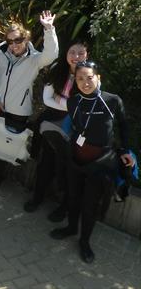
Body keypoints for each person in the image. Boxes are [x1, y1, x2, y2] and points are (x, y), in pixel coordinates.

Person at [50, 61, 135, 264]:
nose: (85, 82)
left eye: (89, 77)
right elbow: (76, 127)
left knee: (90, 204)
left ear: (98, 78)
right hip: (76, 156)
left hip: (101, 160)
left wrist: (124, 150)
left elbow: (124, 126)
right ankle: (71, 227)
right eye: (80, 78)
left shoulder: (112, 100)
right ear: (75, 81)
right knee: (72, 196)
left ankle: (85, 241)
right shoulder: (74, 101)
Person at [0, 11, 58, 193]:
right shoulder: (2, 53)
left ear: (26, 38)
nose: (14, 45)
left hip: (19, 110)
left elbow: (52, 55)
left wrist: (49, 29)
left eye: (18, 40)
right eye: (10, 41)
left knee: (7, 145)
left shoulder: (35, 59)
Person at [24, 41, 89, 220]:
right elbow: (46, 99)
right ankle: (37, 197)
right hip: (52, 122)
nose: (76, 56)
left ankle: (63, 207)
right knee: (46, 162)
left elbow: (88, 104)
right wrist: (70, 106)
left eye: (81, 53)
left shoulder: (89, 74)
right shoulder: (57, 69)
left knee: (69, 167)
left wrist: (62, 101)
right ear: (66, 54)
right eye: (72, 52)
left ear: (87, 55)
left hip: (74, 127)